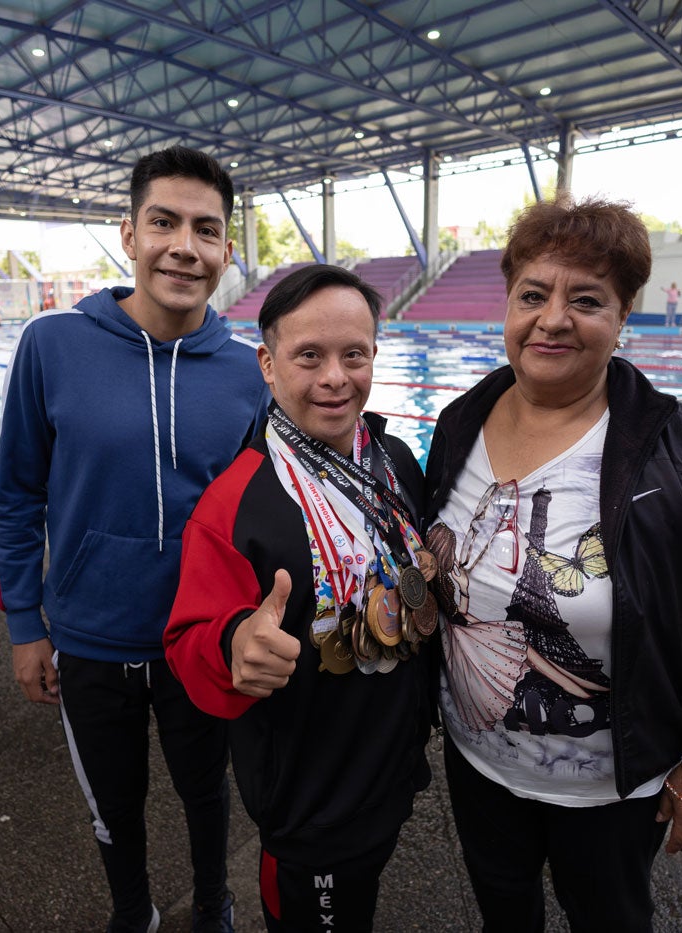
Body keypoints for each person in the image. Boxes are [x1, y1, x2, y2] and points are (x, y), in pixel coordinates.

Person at [423, 195, 682, 932]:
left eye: (586, 299)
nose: (552, 319)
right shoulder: (458, 425)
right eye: (533, 295)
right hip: (480, 763)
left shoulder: (678, 452)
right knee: (503, 913)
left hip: (610, 791)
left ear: (623, 314)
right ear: (507, 306)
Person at [0, 145, 269, 933]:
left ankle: (214, 900)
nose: (184, 244)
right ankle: (131, 910)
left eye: (205, 229)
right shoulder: (53, 345)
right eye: (164, 222)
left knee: (205, 788)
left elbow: (260, 515)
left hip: (200, 635)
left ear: (225, 250)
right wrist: (23, 627)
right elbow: (15, 496)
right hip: (89, 634)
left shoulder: (249, 373)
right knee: (113, 800)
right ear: (129, 233)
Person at [165, 264, 436, 933]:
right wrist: (233, 647)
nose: (335, 378)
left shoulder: (395, 459)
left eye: (354, 354)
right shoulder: (236, 502)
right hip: (310, 803)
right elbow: (185, 639)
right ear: (267, 362)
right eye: (308, 356)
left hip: (391, 772)